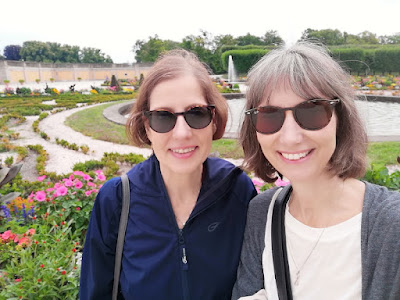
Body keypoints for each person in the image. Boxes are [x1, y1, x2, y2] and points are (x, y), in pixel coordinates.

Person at [79, 49, 257, 300]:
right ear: (147, 127)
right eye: (163, 117)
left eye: (196, 113)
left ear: (214, 120)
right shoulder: (117, 200)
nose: (182, 133)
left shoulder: (238, 190)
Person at [232, 42, 400, 300]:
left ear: (340, 118)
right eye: (269, 116)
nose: (290, 137)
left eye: (311, 112)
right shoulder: (262, 212)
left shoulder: (391, 225)